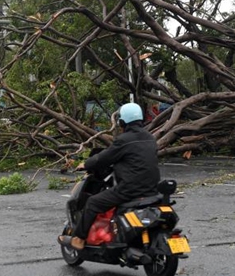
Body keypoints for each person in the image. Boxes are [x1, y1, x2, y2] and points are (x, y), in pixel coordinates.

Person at [58, 102, 160, 250]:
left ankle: (79, 239)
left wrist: (86, 164)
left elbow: (103, 158)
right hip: (152, 189)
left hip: (129, 190)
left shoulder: (124, 140)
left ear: (122, 121)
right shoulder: (150, 138)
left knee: (93, 202)